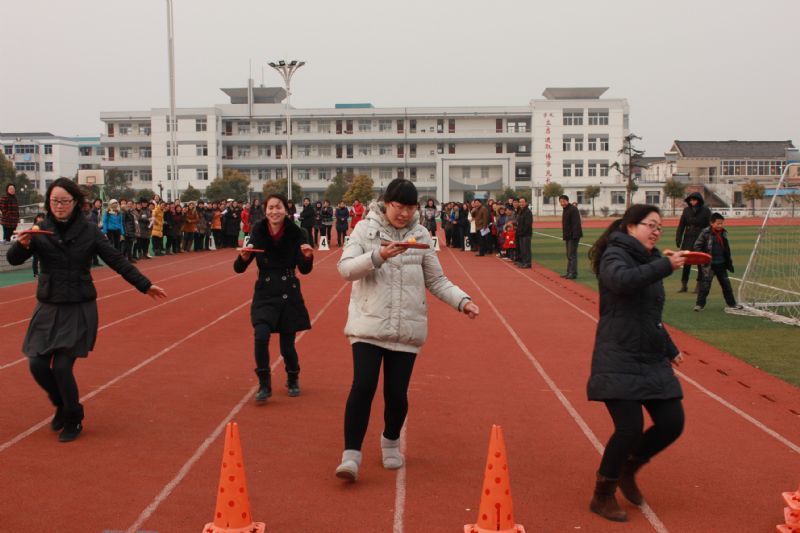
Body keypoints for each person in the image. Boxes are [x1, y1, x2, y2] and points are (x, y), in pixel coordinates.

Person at [334, 178, 480, 481]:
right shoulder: (364, 230)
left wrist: (462, 301)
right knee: (362, 387)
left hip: (406, 327)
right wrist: (379, 256)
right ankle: (351, 455)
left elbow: (436, 280)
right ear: (386, 203)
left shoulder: (421, 234)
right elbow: (346, 269)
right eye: (398, 206)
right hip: (369, 323)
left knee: (396, 394)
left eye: (409, 207)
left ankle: (390, 443)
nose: (403, 213)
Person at [6, 178, 167, 443]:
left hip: (78, 306)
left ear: (75, 203)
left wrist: (145, 285)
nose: (59, 206)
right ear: (49, 202)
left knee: (61, 368)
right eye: (54, 201)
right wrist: (22, 245)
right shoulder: (40, 229)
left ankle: (73, 417)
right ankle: (61, 403)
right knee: (36, 363)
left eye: (64, 201)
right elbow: (15, 259)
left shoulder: (89, 231)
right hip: (48, 304)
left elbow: (116, 260)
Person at [586, 204, 687, 522]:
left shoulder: (653, 260)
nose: (657, 231)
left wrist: (670, 347)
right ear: (631, 227)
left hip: (650, 358)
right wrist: (664, 266)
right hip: (618, 354)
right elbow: (622, 282)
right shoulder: (614, 255)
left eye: (660, 226)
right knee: (629, 428)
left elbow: (649, 316)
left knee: (672, 422)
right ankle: (602, 494)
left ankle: (629, 467)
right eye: (650, 224)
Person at [234, 193, 314, 403]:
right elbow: (240, 267)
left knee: (287, 346)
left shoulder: (298, 232)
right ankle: (264, 383)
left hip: (289, 290)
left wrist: (308, 258)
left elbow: (304, 270)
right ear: (265, 211)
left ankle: (293, 377)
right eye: (270, 208)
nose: (274, 211)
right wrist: (242, 258)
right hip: (265, 292)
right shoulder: (257, 231)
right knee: (261, 336)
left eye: (278, 207)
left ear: (286, 210)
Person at [693, 213, 743, 312]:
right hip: (709, 265)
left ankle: (732, 304)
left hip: (721, 264)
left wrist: (728, 260)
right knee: (705, 286)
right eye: (718, 223)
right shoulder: (705, 233)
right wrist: (705, 257)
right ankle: (699, 305)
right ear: (712, 223)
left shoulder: (723, 233)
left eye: (721, 223)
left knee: (726, 285)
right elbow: (696, 246)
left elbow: (726, 248)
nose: (720, 225)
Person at [675, 192, 711, 293]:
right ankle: (684, 285)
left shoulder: (706, 211)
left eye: (694, 200)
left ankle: (698, 285)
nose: (692, 201)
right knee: (686, 262)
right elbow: (681, 225)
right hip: (688, 239)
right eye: (691, 200)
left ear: (699, 200)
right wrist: (678, 238)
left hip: (701, 239)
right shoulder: (686, 210)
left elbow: (709, 226)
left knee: (700, 262)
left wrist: (708, 239)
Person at [560, 194, 583, 279]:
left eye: (563, 201)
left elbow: (576, 224)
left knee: (572, 255)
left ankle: (573, 273)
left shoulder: (573, 209)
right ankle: (569, 272)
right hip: (568, 236)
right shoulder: (566, 209)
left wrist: (575, 236)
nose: (562, 203)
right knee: (569, 255)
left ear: (567, 201)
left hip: (573, 236)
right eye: (561, 202)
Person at [515, 197, 532, 268]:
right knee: (522, 249)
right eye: (520, 202)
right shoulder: (520, 211)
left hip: (526, 233)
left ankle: (527, 263)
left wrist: (522, 232)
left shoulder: (528, 212)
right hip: (520, 233)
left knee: (526, 249)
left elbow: (528, 224)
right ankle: (524, 262)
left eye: (523, 202)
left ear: (526, 203)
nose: (521, 203)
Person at [31, 212, 45, 277]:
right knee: (35, 259)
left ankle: (43, 272)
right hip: (35, 244)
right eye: (39, 217)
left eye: (42, 218)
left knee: (43, 259)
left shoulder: (45, 226)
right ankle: (35, 273)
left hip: (42, 244)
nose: (41, 219)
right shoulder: (34, 226)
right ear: (36, 218)